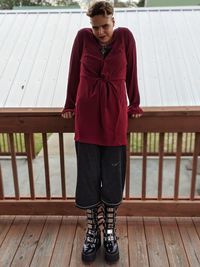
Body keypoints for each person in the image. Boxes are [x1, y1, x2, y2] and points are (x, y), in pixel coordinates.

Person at [62, 0, 143, 263]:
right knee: (88, 178)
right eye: (95, 26)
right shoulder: (82, 38)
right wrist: (69, 104)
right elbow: (74, 72)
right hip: (85, 120)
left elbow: (132, 74)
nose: (100, 31)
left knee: (112, 177)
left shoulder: (126, 38)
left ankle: (109, 231)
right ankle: (91, 232)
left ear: (113, 21)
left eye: (104, 26)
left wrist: (135, 103)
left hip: (115, 120)